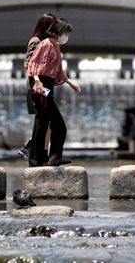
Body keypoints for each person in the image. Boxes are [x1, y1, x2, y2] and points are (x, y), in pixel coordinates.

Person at [27, 17, 81, 167]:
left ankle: (40, 159)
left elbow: (58, 71)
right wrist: (37, 82)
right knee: (56, 123)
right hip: (40, 85)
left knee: (43, 122)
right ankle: (53, 156)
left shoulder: (56, 46)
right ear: (58, 32)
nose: (66, 37)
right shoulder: (45, 44)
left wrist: (70, 83)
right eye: (65, 33)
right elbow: (33, 65)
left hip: (47, 84)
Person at [19, 12, 56, 163]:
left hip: (45, 87)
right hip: (37, 87)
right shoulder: (36, 41)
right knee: (46, 120)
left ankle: (34, 148)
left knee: (48, 121)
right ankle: (35, 151)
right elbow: (28, 63)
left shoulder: (47, 42)